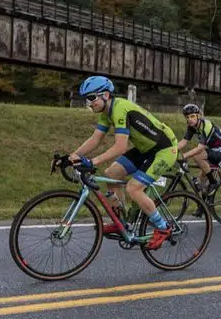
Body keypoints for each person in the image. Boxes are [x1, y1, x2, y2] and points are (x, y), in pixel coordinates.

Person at [68, 76, 174, 249]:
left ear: (106, 95)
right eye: (87, 99)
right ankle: (122, 223)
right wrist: (72, 156)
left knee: (133, 188)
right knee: (112, 174)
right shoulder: (106, 112)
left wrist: (93, 161)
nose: (89, 103)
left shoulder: (120, 109)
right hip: (145, 149)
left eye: (92, 98)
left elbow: (120, 147)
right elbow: (95, 139)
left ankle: (163, 228)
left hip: (164, 149)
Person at [175, 103, 221, 193]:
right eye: (187, 117)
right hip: (213, 149)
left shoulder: (206, 126)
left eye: (192, 116)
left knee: (198, 156)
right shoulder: (192, 126)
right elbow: (184, 141)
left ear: (198, 116)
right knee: (200, 184)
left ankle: (213, 182)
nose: (189, 119)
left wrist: (184, 155)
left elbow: (200, 148)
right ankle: (204, 206)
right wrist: (172, 151)